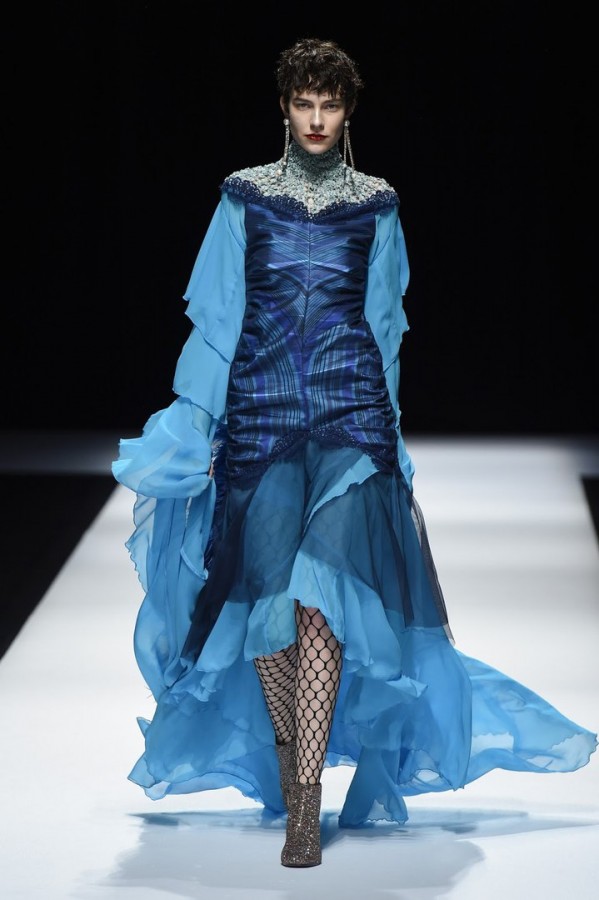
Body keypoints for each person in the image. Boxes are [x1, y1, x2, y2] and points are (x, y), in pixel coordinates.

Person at [112, 37, 597, 868]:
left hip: (349, 415)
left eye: (328, 104)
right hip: (261, 412)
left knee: (321, 600)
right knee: (265, 608)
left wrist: (390, 435)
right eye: (303, 102)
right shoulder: (242, 198)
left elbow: (384, 327)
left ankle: (306, 803)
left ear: (346, 112)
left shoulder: (377, 206)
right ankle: (289, 759)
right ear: (283, 108)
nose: (315, 118)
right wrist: (198, 422)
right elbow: (218, 318)